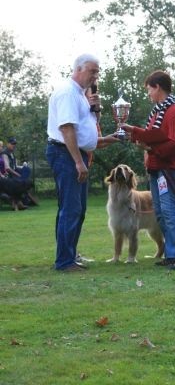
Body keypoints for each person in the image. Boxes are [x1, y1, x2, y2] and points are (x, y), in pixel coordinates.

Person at [46, 53, 119, 272]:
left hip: (75, 154)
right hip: (66, 154)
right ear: (79, 69)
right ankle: (64, 261)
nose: (96, 76)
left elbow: (85, 134)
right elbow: (67, 129)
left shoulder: (80, 95)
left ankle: (70, 255)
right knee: (71, 209)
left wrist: (108, 136)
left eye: (97, 72)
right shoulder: (68, 93)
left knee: (78, 209)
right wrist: (78, 162)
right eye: (92, 71)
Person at [122, 70, 175, 270]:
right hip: (157, 169)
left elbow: (173, 143)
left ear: (157, 87)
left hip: (167, 169)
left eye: (149, 89)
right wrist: (133, 132)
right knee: (159, 213)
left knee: (168, 211)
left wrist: (149, 149)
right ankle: (171, 253)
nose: (148, 93)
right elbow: (153, 135)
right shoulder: (158, 111)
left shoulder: (173, 112)